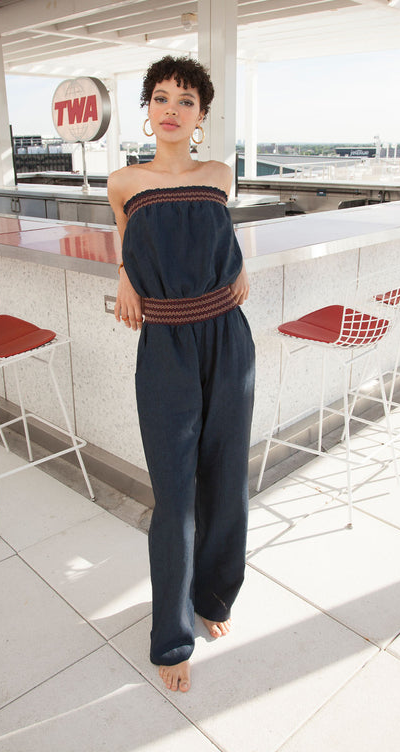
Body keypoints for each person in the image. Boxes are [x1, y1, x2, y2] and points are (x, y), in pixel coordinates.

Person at [107, 56, 255, 694]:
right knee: (173, 493)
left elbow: (219, 233)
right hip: (165, 339)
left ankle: (215, 595)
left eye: (186, 100)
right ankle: (171, 634)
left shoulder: (220, 173)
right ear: (147, 108)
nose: (171, 108)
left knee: (226, 476)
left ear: (201, 115)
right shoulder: (122, 180)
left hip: (228, 335)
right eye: (161, 97)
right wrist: (123, 278)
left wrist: (240, 267)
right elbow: (127, 235)